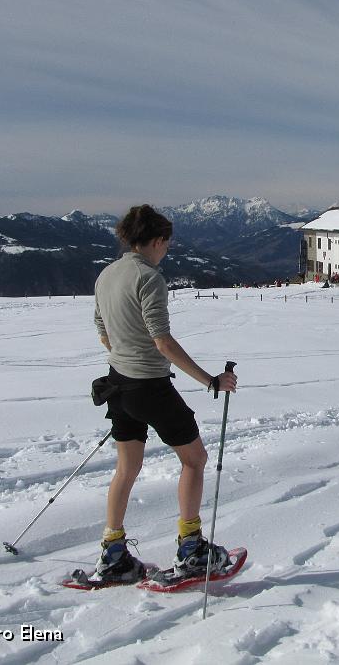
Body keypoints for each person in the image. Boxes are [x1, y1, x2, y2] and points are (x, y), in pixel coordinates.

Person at [92, 205, 238, 581]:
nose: (167, 251)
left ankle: (113, 554)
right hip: (149, 386)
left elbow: (102, 328)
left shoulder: (107, 274)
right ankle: (191, 548)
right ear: (156, 241)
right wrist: (210, 380)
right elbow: (162, 342)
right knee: (195, 459)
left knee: (127, 468)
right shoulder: (149, 278)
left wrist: (123, 354)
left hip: (117, 383)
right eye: (167, 245)